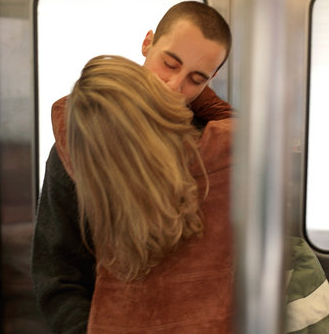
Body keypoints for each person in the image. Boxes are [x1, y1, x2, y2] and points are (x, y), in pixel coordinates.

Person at [32, 1, 233, 333]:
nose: (174, 86)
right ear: (147, 42)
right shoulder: (79, 142)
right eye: (169, 64)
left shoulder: (212, 144)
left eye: (196, 79)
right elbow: (58, 276)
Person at [66, 55, 235, 332]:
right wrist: (195, 90)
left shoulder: (90, 164)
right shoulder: (217, 151)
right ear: (152, 102)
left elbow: (65, 111)